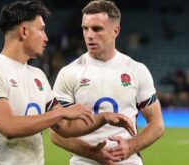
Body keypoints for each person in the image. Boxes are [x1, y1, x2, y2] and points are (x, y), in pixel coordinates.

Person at [0, 1, 135, 165]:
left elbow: (64, 127)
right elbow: (9, 127)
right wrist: (61, 112)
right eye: (41, 30)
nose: (46, 38)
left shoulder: (38, 75)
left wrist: (103, 118)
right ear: (23, 31)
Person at [49, 0, 164, 165]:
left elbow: (157, 124)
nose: (89, 35)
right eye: (85, 28)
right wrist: (92, 153)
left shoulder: (136, 70)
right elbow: (56, 133)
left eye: (97, 29)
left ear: (115, 31)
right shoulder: (69, 73)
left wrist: (131, 146)